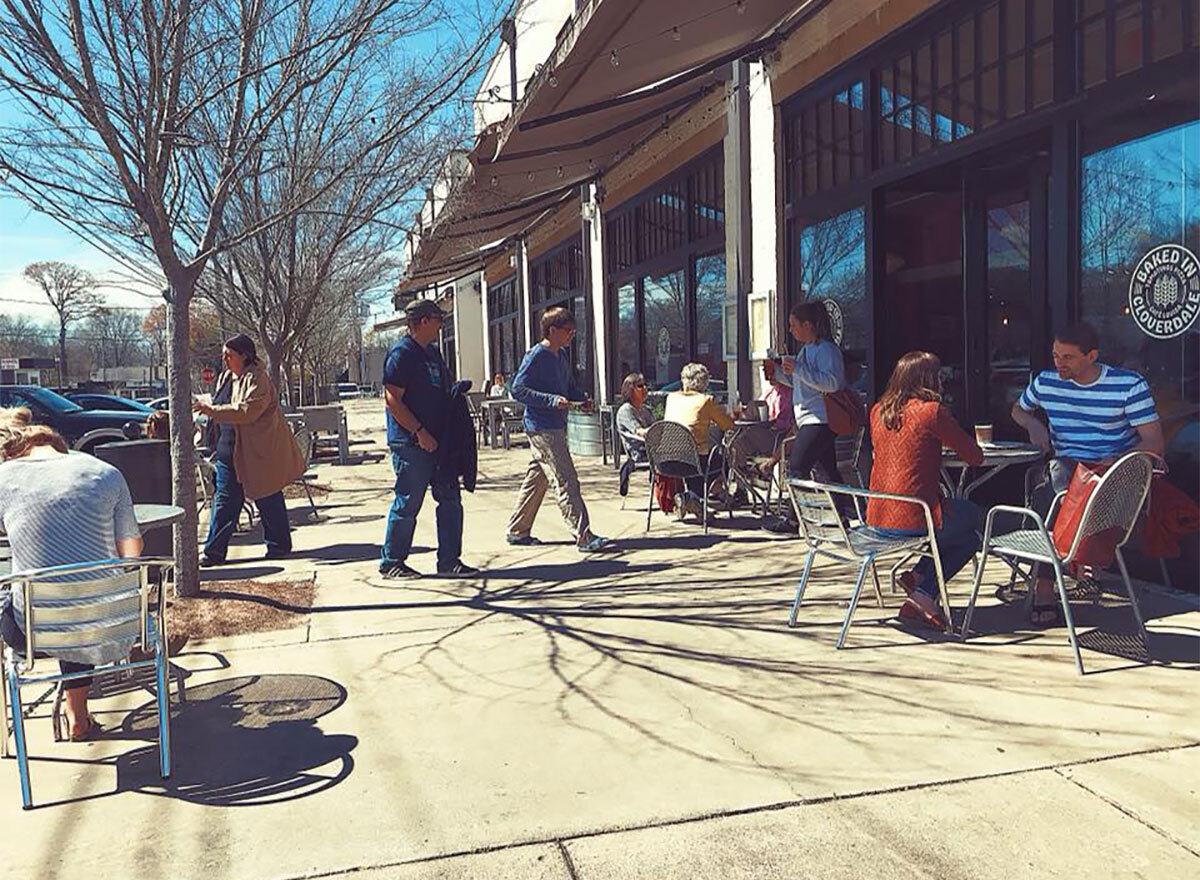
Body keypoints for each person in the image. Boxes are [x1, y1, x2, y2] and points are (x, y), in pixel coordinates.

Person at [0, 414, 143, 740]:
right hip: (108, 624)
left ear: (17, 451)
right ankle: (77, 712)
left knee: (33, 597)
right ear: (60, 448)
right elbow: (133, 552)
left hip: (31, 635)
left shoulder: (4, 478)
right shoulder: (106, 474)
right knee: (80, 598)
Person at [1011, 321, 1163, 622]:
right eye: (1055, 355)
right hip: (1068, 465)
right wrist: (1032, 424)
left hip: (1113, 469)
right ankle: (1052, 580)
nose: (1059, 363)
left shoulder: (1127, 385)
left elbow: (1154, 442)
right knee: (1055, 490)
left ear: (1092, 356)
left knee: (1057, 493)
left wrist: (1117, 460)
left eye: (1067, 357)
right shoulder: (1047, 382)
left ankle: (1071, 565)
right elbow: (1018, 409)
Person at [864, 352, 984, 630]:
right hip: (916, 516)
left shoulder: (878, 411)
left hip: (878, 515)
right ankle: (923, 589)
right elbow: (974, 456)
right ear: (931, 379)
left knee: (953, 525)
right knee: (972, 527)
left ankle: (919, 578)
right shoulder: (931, 411)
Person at [378, 300, 478, 579]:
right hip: (412, 443)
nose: (440, 325)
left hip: (440, 441)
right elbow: (392, 400)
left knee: (450, 499)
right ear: (422, 321)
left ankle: (449, 560)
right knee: (409, 501)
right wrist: (419, 432)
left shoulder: (432, 353)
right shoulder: (402, 354)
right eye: (437, 319)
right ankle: (392, 561)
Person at [193, 334, 305, 566]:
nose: (224, 359)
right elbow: (220, 409)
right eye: (224, 355)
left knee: (267, 496)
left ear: (244, 356)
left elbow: (246, 412)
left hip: (256, 452)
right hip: (227, 452)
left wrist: (212, 410)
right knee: (224, 502)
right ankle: (214, 552)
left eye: (229, 355)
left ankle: (279, 546)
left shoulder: (258, 378)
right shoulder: (225, 377)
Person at [506, 307, 612, 552]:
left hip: (556, 425)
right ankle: (583, 535)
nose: (571, 335)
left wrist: (581, 399)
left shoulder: (561, 356)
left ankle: (517, 530)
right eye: (567, 331)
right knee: (566, 480)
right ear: (552, 330)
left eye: (573, 331)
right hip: (542, 427)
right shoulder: (535, 356)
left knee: (538, 478)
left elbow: (569, 387)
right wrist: (550, 400)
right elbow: (518, 389)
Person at [780, 301, 848, 484]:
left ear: (807, 325)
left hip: (819, 418)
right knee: (827, 473)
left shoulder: (826, 350)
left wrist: (798, 368)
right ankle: (843, 508)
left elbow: (832, 383)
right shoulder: (806, 350)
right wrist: (778, 374)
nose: (790, 330)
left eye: (794, 325)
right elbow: (805, 383)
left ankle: (795, 513)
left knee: (796, 471)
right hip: (809, 418)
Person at [664, 362, 734, 514]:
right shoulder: (706, 400)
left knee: (697, 455)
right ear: (705, 382)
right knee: (722, 459)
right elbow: (728, 425)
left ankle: (692, 499)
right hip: (693, 461)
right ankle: (693, 497)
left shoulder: (671, 398)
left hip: (665, 461)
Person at [728, 358, 794, 478]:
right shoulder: (769, 391)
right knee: (736, 442)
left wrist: (769, 422)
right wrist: (745, 413)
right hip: (764, 434)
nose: (767, 375)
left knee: (744, 432)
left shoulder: (791, 392)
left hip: (780, 437)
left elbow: (789, 423)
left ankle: (753, 473)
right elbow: (758, 410)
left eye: (770, 371)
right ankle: (742, 482)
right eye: (764, 371)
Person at [616, 372, 654, 496]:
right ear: (630, 389)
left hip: (652, 447)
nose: (645, 389)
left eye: (645, 385)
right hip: (639, 452)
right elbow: (639, 431)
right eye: (640, 386)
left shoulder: (646, 409)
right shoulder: (626, 410)